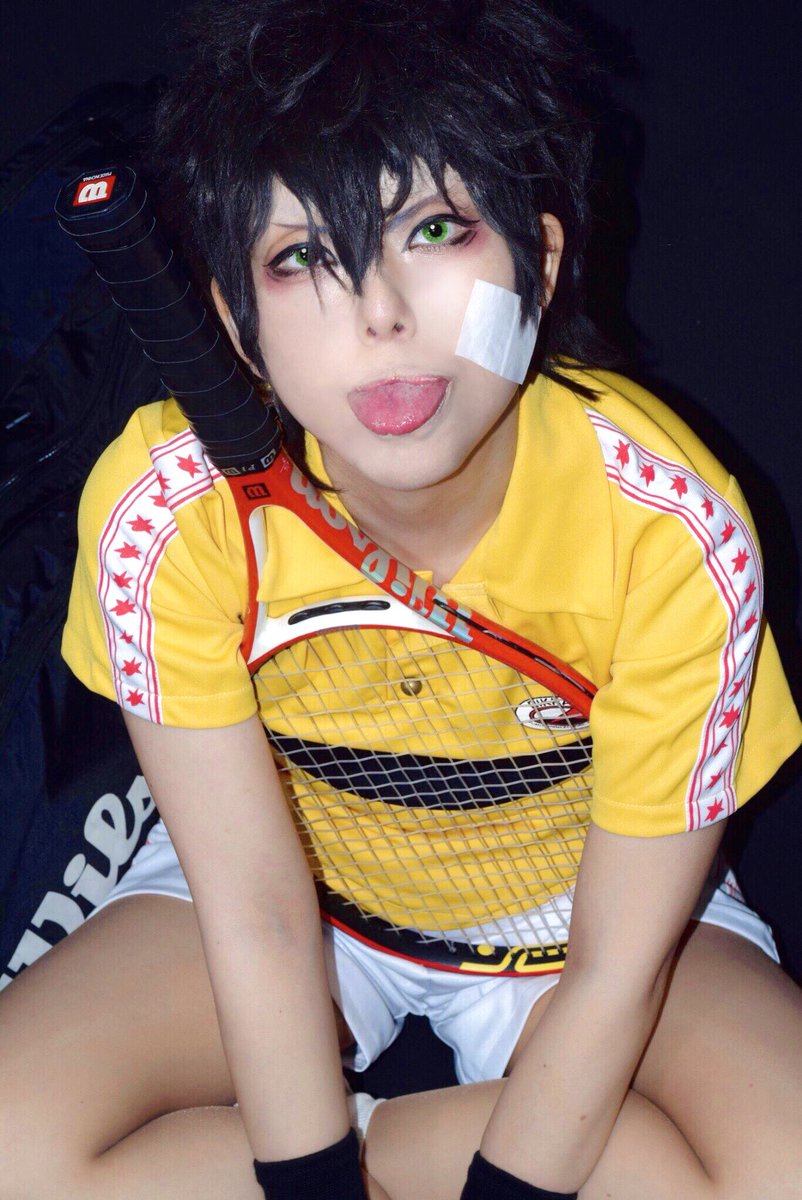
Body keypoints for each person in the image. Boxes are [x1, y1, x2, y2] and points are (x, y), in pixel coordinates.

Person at [1, 2, 801, 1198]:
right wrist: (312, 1178)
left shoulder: (669, 526)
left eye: (432, 229)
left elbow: (617, 969)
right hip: (304, 894)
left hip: (581, 919)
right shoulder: (163, 507)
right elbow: (257, 912)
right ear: (234, 326)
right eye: (300, 258)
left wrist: (508, 1183)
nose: (378, 314)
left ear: (538, 262)